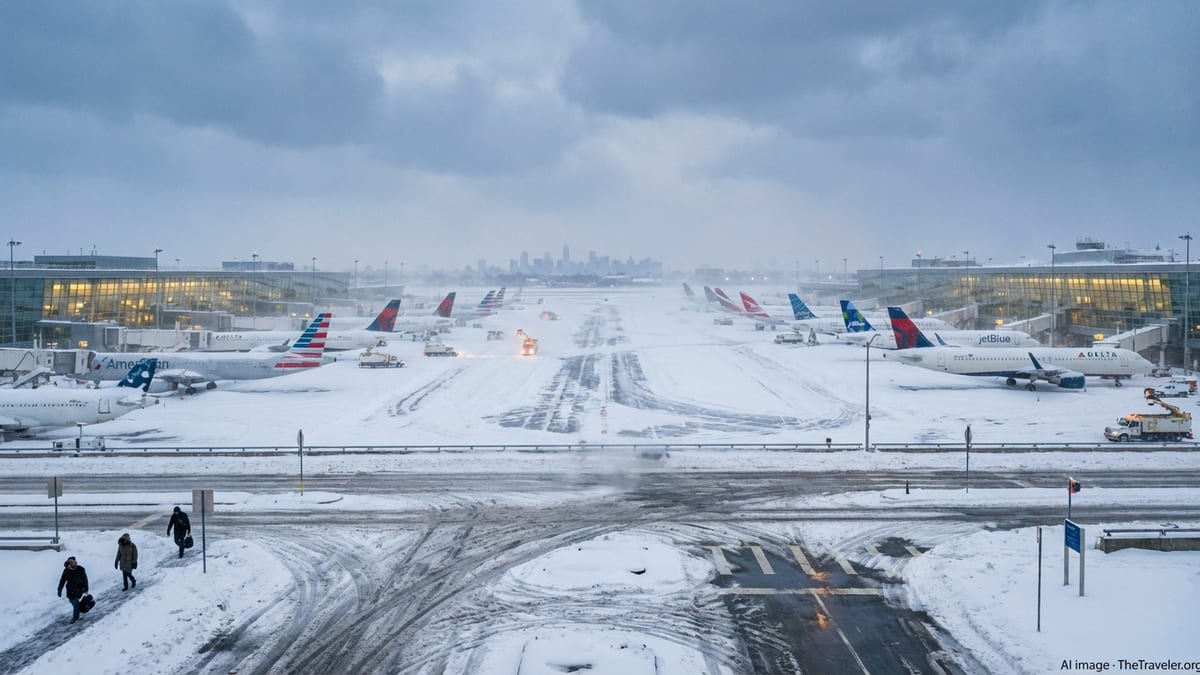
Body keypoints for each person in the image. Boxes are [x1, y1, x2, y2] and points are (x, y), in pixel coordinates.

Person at [56, 556, 89, 624]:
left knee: (79, 605)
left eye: (72, 562)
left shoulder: (81, 569)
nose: (71, 564)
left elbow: (85, 579)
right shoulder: (66, 571)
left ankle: (76, 616)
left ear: (75, 562)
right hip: (71, 591)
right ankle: (75, 618)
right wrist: (59, 589)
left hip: (80, 590)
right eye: (69, 563)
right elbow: (62, 580)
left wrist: (86, 588)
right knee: (75, 604)